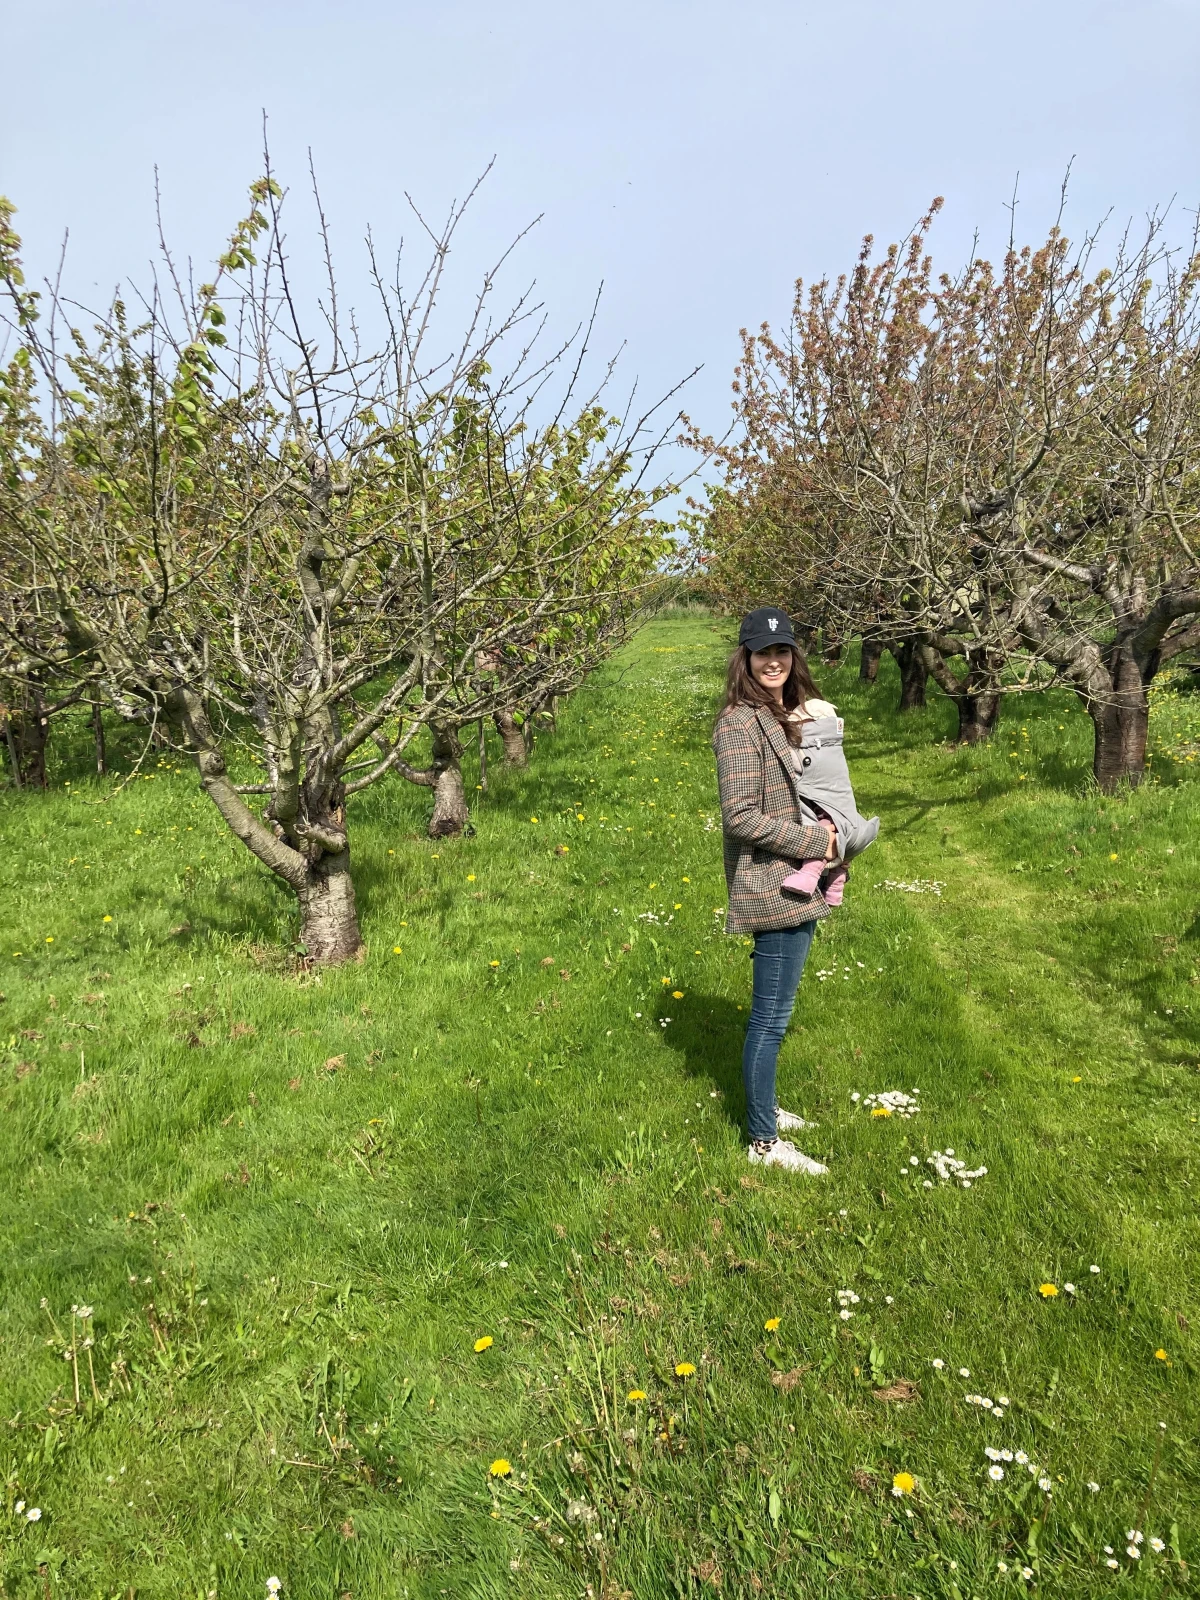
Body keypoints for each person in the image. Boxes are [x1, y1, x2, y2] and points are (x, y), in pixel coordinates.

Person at [712, 605, 876, 1173]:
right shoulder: (739, 723)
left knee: (776, 1012)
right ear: (747, 659)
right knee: (770, 1019)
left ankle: (767, 1109)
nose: (775, 661)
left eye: (783, 651)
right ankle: (762, 1143)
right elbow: (740, 818)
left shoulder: (789, 713)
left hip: (798, 878)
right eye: (764, 653)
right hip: (771, 883)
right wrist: (816, 844)